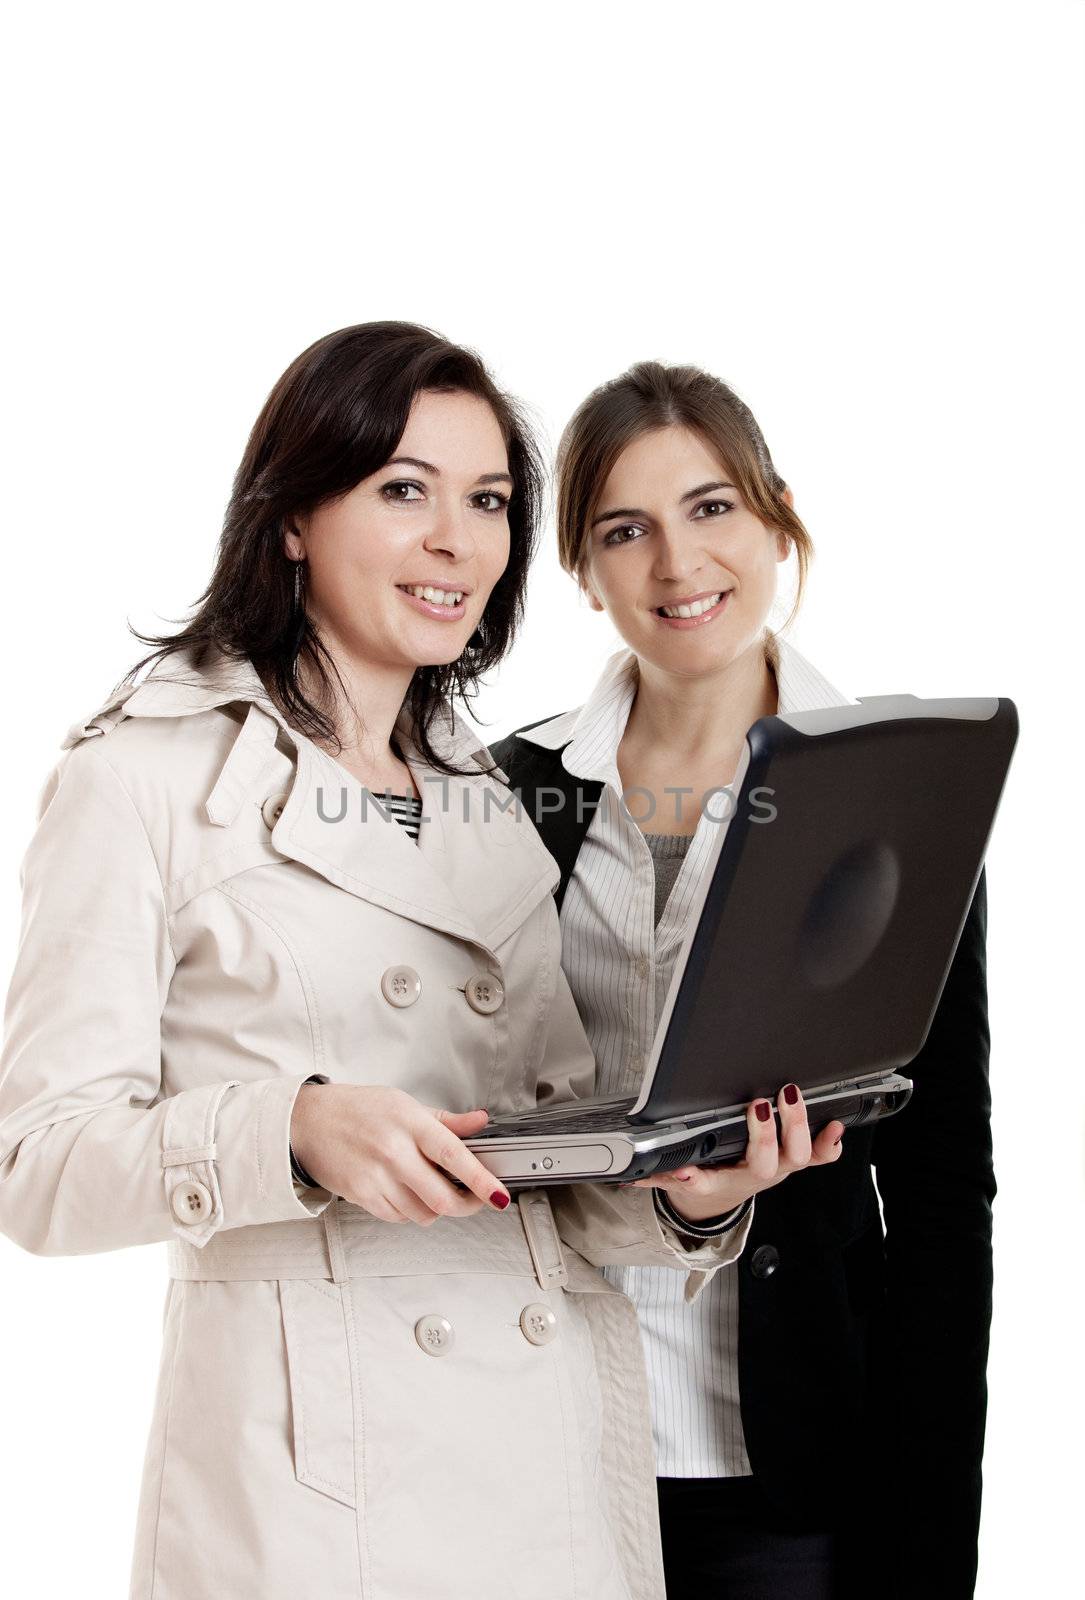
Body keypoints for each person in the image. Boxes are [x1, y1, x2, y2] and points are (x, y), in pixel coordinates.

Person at [0, 322, 824, 1600]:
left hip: (550, 1469)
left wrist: (692, 1192)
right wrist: (294, 1127)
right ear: (289, 517)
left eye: (488, 500)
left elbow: (538, 1160)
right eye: (404, 491)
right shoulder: (144, 776)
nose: (458, 541)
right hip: (319, 1498)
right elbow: (40, 1168)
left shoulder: (485, 798)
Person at [492, 360, 994, 1600]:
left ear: (775, 521)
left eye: (711, 509)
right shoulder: (509, 793)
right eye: (626, 529)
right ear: (581, 569)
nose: (676, 564)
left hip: (789, 1464)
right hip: (540, 1430)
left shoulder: (893, 798)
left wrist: (932, 1544)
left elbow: (942, 1204)